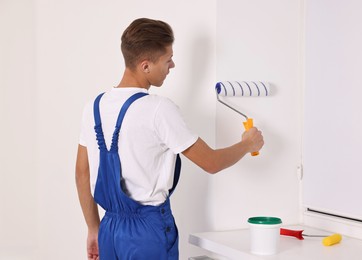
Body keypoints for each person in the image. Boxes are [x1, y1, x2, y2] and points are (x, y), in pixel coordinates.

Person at [75, 18, 264, 260]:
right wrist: (248, 144)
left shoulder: (94, 106)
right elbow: (212, 163)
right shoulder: (158, 109)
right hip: (147, 232)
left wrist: (93, 228)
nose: (172, 65)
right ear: (145, 66)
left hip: (109, 230)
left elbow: (82, 173)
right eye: (167, 59)